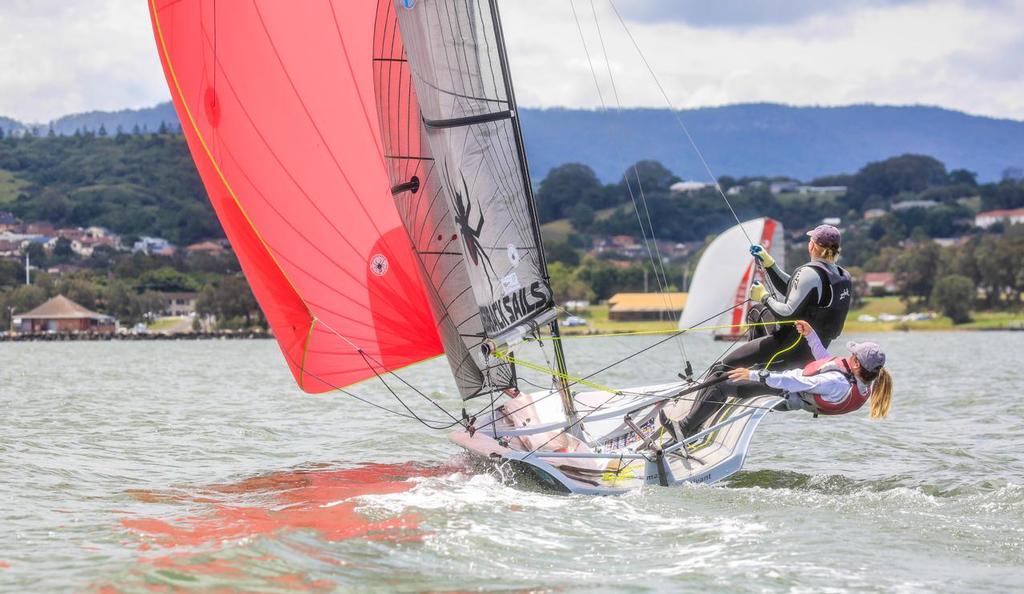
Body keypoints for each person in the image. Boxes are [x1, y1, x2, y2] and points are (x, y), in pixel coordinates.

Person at [662, 320, 893, 440]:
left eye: (853, 355)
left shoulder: (836, 382)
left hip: (784, 395)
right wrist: (810, 334)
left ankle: (684, 428)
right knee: (738, 377)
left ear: (855, 363)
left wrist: (752, 374)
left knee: (722, 383)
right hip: (793, 394)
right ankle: (695, 424)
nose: (849, 355)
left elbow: (795, 383)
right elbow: (825, 360)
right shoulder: (862, 382)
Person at [733, 224, 854, 369]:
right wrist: (770, 264)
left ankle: (756, 369)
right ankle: (758, 367)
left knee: (756, 311)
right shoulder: (842, 276)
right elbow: (796, 291)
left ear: (813, 246)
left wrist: (764, 297)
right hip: (812, 350)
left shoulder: (810, 272)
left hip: (789, 347)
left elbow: (787, 313)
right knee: (760, 312)